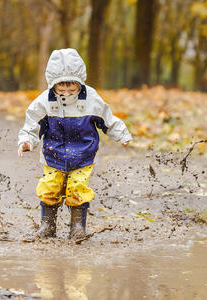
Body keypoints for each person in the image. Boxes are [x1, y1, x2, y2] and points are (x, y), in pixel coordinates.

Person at [18, 48, 132, 239]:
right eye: (61, 90)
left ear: (80, 84)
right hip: (53, 154)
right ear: (52, 85)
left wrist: (121, 134)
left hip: (83, 154)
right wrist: (26, 141)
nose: (67, 93)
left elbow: (107, 118)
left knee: (77, 189)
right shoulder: (44, 101)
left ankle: (77, 227)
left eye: (72, 90)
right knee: (49, 187)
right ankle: (48, 225)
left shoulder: (92, 99)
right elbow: (32, 124)